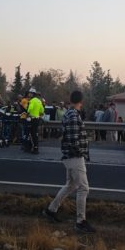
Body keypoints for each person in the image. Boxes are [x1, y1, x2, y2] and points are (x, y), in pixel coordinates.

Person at [42, 90, 96, 233]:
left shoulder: (69, 113)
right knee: (84, 188)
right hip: (74, 157)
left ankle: (51, 210)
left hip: (71, 156)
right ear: (81, 101)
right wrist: (81, 152)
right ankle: (80, 221)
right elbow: (73, 139)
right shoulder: (73, 115)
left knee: (70, 185)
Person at [26, 88, 44, 154]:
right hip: (37, 119)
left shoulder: (32, 101)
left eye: (30, 93)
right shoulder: (39, 101)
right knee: (35, 134)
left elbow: (30, 108)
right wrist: (38, 114)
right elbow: (42, 110)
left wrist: (28, 113)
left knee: (31, 134)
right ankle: (36, 147)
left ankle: (32, 148)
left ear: (33, 94)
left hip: (31, 119)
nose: (29, 94)